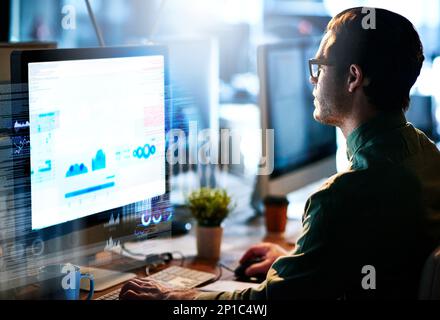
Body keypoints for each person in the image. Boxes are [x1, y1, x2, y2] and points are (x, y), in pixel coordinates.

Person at [119, 7, 440, 300]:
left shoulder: (341, 199)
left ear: (353, 77)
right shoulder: (427, 156)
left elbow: (261, 306)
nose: (312, 79)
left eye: (320, 66)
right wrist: (302, 262)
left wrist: (172, 298)